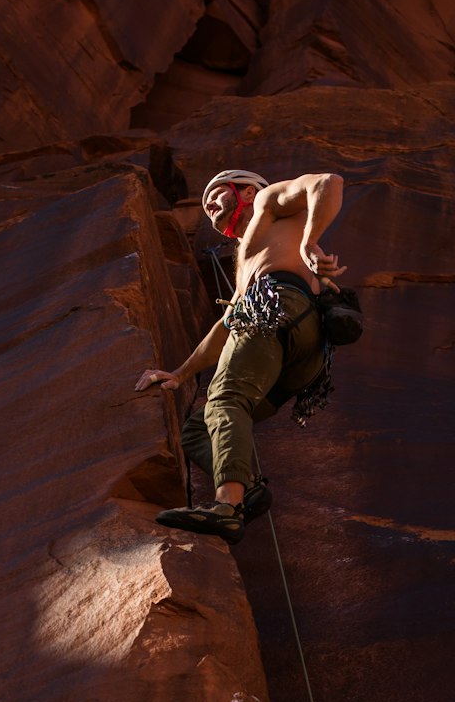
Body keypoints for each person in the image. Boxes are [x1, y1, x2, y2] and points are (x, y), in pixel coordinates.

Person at [135, 167, 346, 543]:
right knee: (198, 428)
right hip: (304, 351)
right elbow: (229, 323)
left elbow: (327, 183)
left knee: (225, 400)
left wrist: (308, 242)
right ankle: (245, 488)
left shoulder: (268, 202)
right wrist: (181, 374)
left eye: (216, 194)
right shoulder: (252, 253)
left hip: (276, 307)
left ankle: (226, 507)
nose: (209, 206)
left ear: (246, 192)